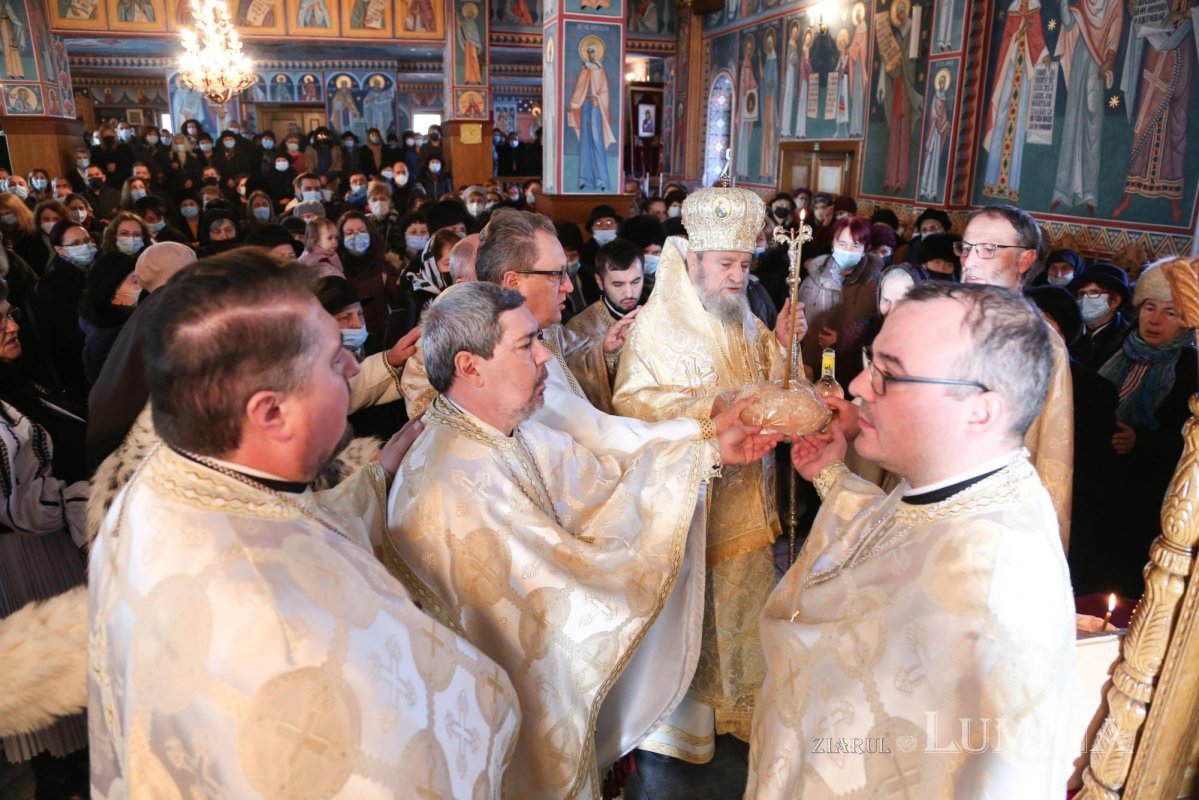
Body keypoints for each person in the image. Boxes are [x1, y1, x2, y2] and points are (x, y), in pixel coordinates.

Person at [89, 251, 520, 799]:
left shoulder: (171, 480)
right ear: (270, 413)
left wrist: (376, 478)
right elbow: (390, 764)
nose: (351, 367)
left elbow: (292, 527)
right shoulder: (275, 616)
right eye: (332, 358)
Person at [385, 281, 779, 797]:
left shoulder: (508, 432)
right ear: (469, 365)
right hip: (499, 717)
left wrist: (708, 452)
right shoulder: (454, 481)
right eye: (527, 345)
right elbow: (559, 595)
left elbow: (604, 484)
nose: (547, 356)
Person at [748, 282, 1074, 799]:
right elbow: (898, 535)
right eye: (868, 363)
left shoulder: (993, 587)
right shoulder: (965, 487)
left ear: (981, 410)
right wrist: (832, 478)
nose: (857, 386)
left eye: (889, 375)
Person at [611, 187, 802, 756]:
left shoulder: (744, 319)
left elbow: (777, 379)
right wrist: (710, 411)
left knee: (743, 608)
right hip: (690, 502)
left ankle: (739, 716)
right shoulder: (656, 327)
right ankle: (687, 727)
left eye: (744, 265)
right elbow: (631, 405)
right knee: (694, 618)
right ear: (691, 260)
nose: (737, 277)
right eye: (725, 264)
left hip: (747, 498)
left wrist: (787, 347)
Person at [0, 278, 90, 797]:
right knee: (54, 686)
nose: (14, 326)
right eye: (1, 322)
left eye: (11, 315)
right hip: (28, 560)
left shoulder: (20, 382)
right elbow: (18, 509)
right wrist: (82, 493)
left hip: (57, 551)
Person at [958, 205, 1075, 550]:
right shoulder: (941, 318)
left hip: (989, 513)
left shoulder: (1040, 343)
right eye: (966, 247)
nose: (971, 260)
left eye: (989, 249)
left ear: (1024, 261)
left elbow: (1053, 447)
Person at [1098, 260, 1197, 596]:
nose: (1155, 320)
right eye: (1150, 307)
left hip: (1147, 497)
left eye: (1171, 313)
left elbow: (1187, 441)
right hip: (1099, 478)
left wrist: (1140, 442)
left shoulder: (1190, 369)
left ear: (1188, 322)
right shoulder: (1114, 346)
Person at [563, 237, 643, 413]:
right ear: (600, 282)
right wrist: (604, 354)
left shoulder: (657, 315)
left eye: (636, 281)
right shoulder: (578, 328)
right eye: (618, 284)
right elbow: (571, 382)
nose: (629, 292)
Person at [798, 215, 884, 377]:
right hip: (812, 363)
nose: (847, 251)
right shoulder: (814, 279)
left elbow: (879, 328)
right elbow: (800, 321)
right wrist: (804, 361)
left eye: (855, 245)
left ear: (865, 249)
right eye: (842, 244)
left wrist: (843, 339)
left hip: (852, 368)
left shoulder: (876, 284)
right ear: (833, 244)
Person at [1068, 261, 1132, 371]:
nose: (1085, 299)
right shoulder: (1069, 328)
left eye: (1094, 293)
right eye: (1082, 294)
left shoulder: (1127, 339)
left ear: (1115, 301)